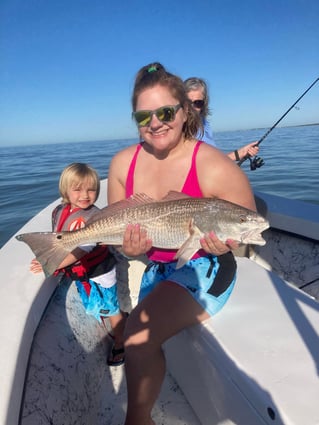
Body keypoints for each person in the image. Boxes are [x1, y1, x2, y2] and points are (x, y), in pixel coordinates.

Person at [107, 62, 257, 424]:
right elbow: (114, 231)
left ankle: (137, 420)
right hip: (156, 267)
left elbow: (248, 225)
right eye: (144, 116)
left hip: (207, 266)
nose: (155, 122)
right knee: (137, 333)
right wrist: (127, 250)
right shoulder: (121, 163)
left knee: (137, 335)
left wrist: (226, 245)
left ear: (184, 110)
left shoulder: (214, 164)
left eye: (165, 111)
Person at [30, 163, 127, 366]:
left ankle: (121, 342)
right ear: (65, 190)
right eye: (77, 189)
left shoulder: (94, 218)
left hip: (101, 272)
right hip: (83, 273)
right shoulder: (59, 210)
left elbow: (80, 251)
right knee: (98, 306)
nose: (85, 195)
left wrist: (51, 264)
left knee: (111, 310)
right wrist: (47, 256)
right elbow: (59, 240)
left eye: (91, 189)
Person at [184, 77, 260, 161]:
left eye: (198, 103)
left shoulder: (204, 124)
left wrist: (242, 152)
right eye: (187, 102)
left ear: (204, 104)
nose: (192, 108)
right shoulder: (178, 129)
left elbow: (214, 161)